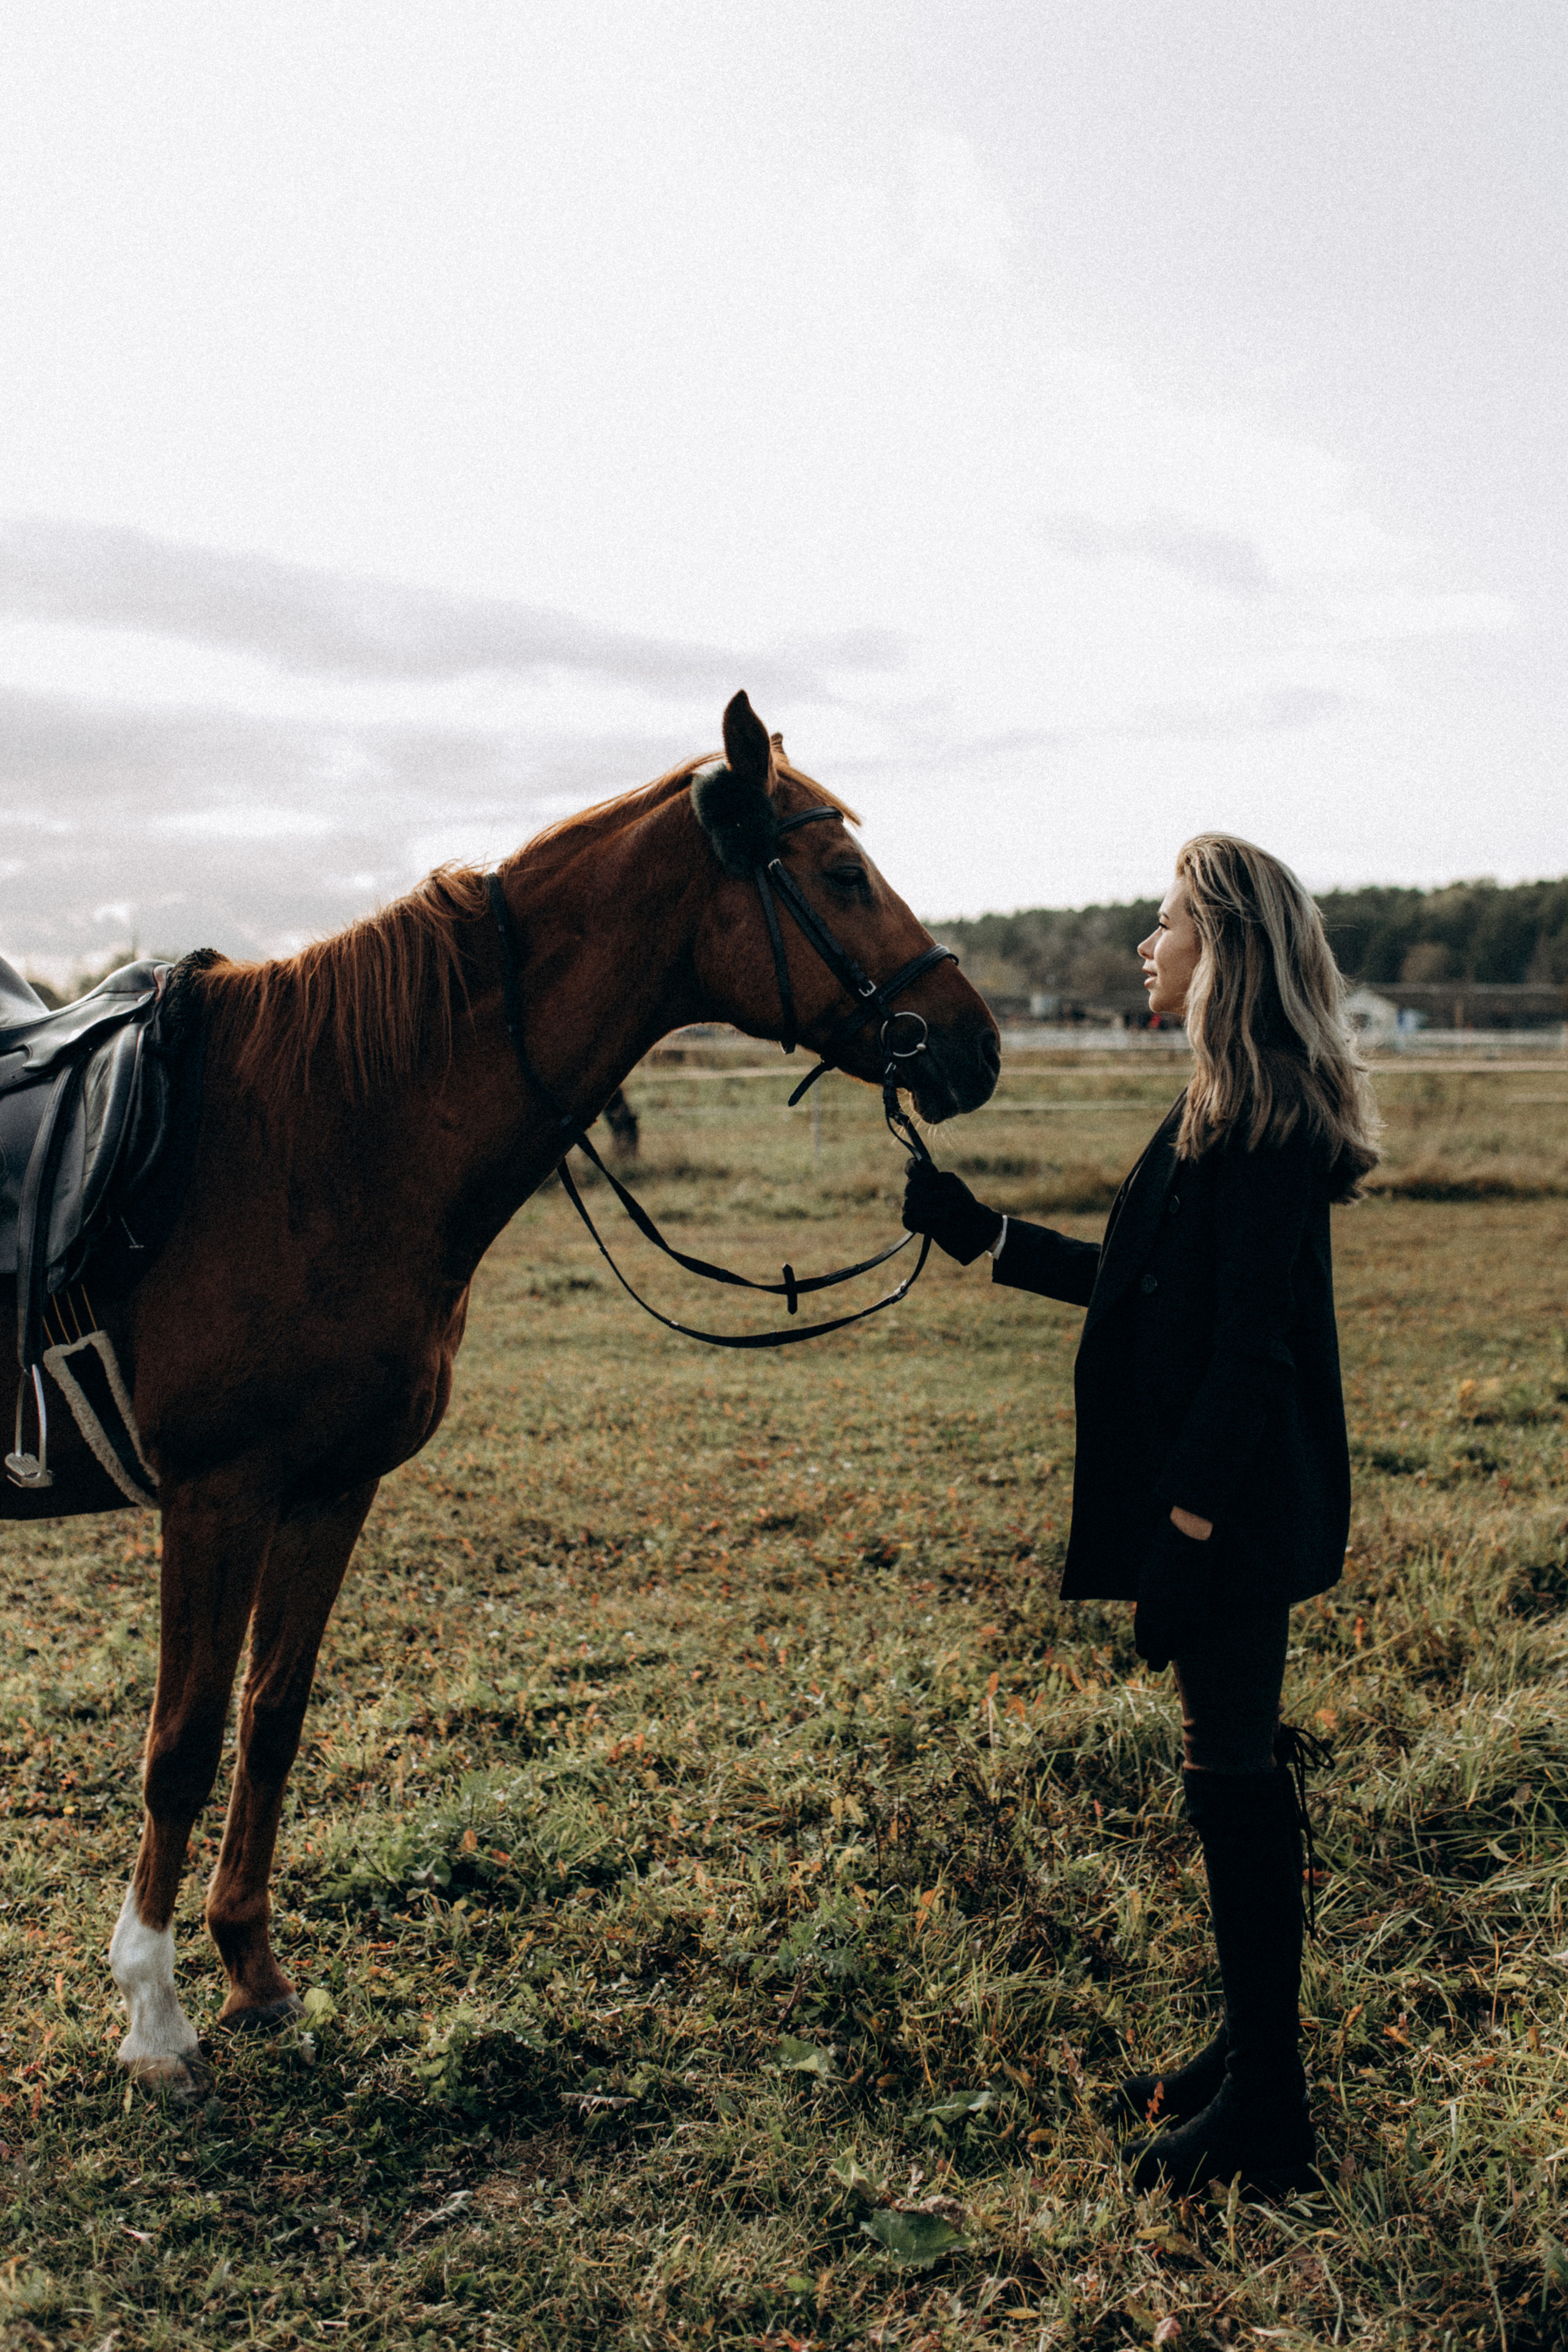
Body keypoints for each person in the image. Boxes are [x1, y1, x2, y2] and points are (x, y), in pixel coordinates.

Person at [902, 834, 1378, 2196]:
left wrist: (1180, 1536)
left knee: (1231, 1780)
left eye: (1164, 924)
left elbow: (1246, 1357)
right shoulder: (1220, 1101)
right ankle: (1252, 2047)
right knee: (1234, 1769)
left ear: (1219, 946)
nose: (1142, 948)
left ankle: (1269, 2116)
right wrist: (980, 1237)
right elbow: (1144, 1283)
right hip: (1219, 1510)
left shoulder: (1267, 1114)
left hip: (1231, 1511)